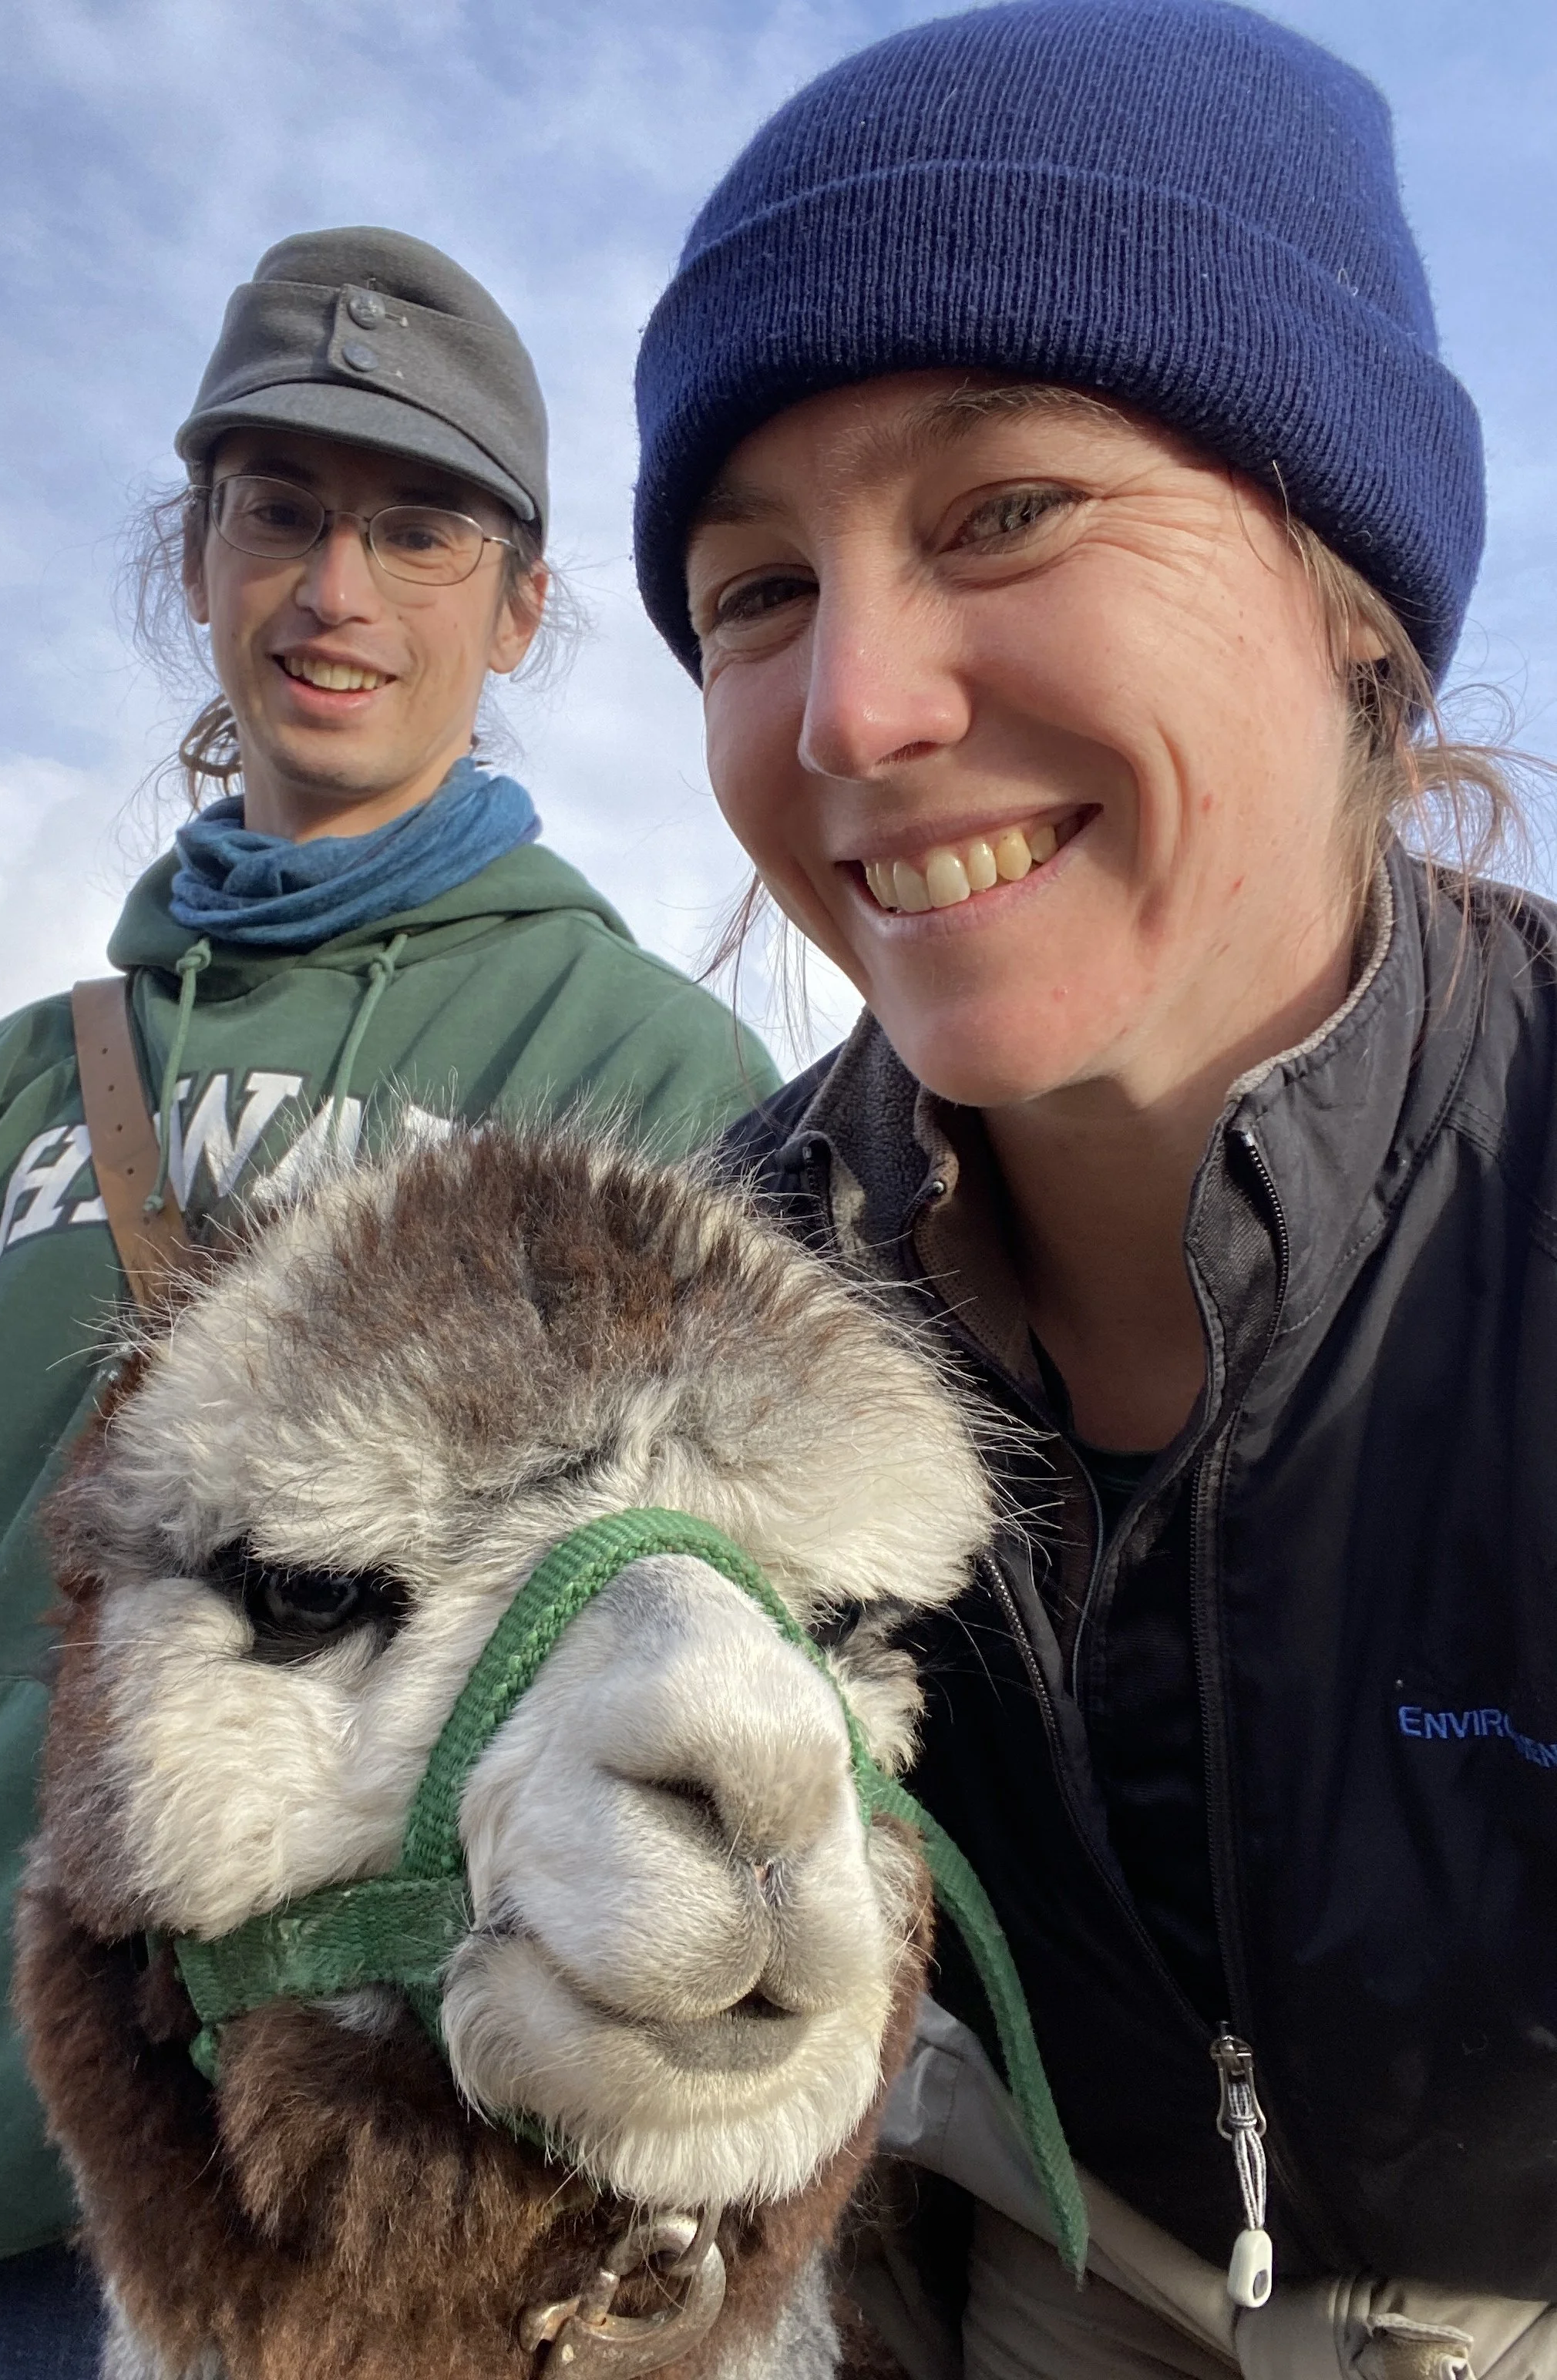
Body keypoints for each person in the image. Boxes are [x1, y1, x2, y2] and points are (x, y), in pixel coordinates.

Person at [632, 5, 1556, 2374]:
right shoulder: (715, 1306)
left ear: (1354, 585)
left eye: (1004, 510)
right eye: (752, 592)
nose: (851, 709)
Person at [0, 226, 774, 2374]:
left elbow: (693, 1701)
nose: (337, 594)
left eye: (418, 530)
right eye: (280, 512)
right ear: (196, 553)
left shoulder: (637, 1084)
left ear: (516, 609)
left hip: (233, 2234)